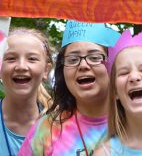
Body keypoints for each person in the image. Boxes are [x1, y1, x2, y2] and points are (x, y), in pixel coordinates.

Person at [18, 20, 121, 156]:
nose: (83, 65)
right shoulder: (45, 130)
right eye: (72, 59)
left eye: (95, 57)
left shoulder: (140, 123)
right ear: (63, 71)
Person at [0, 28, 54, 156]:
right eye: (11, 58)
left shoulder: (60, 126)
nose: (21, 66)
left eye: (32, 59)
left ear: (46, 70)